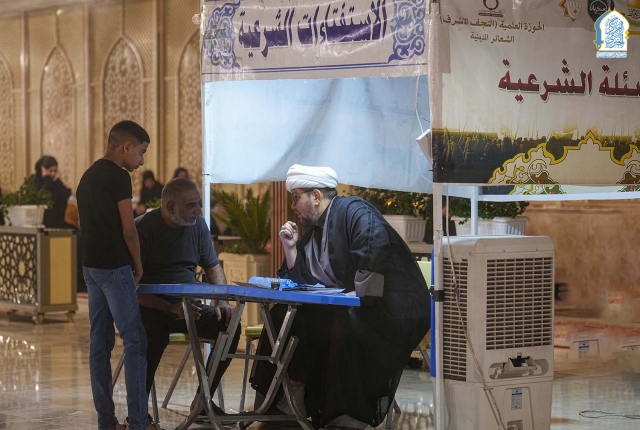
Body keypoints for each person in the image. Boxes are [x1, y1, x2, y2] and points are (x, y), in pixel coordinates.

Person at [251, 164, 431, 430]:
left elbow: (374, 240)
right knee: (284, 314)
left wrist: (360, 292)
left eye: (296, 197)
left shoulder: (353, 210)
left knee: (345, 322)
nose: (293, 206)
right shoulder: (314, 232)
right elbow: (303, 283)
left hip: (393, 305)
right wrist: (290, 249)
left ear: (315, 196)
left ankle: (345, 417)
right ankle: (284, 405)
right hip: (351, 305)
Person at [76, 120, 158, 430]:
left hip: (90, 267)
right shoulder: (119, 177)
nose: (141, 161)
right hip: (113, 267)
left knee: (100, 343)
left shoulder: (87, 176)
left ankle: (106, 421)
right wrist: (138, 264)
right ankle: (138, 422)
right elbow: (128, 229)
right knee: (135, 340)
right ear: (126, 146)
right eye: (141, 152)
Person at [135, 178, 239, 415]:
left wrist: (222, 300)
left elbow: (213, 266)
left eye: (198, 204)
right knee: (152, 333)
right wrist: (168, 308)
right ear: (171, 207)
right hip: (153, 308)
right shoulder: (142, 228)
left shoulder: (198, 225)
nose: (199, 210)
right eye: (191, 205)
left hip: (189, 308)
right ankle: (138, 411)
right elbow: (130, 288)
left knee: (229, 325)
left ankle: (202, 400)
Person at [33, 155, 72, 228]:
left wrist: (57, 181)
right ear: (43, 169)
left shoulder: (56, 182)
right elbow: (42, 195)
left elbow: (66, 194)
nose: (53, 173)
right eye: (50, 171)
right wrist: (47, 178)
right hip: (42, 221)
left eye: (55, 171)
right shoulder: (35, 181)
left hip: (58, 220)